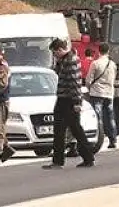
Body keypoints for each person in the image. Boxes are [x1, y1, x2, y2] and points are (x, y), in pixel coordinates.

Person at [42, 38, 95, 169]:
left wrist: (77, 102)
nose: (54, 56)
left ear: (60, 50)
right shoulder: (65, 60)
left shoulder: (70, 61)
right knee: (63, 129)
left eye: (55, 53)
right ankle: (64, 159)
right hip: (64, 98)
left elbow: (74, 83)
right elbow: (57, 72)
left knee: (73, 129)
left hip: (69, 99)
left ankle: (84, 157)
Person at [85, 43, 118, 149]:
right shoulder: (112, 64)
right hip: (109, 93)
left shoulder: (95, 63)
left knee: (98, 117)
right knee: (110, 117)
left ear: (99, 51)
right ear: (108, 51)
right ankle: (113, 140)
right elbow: (114, 78)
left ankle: (99, 139)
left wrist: (89, 88)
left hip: (97, 93)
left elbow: (88, 79)